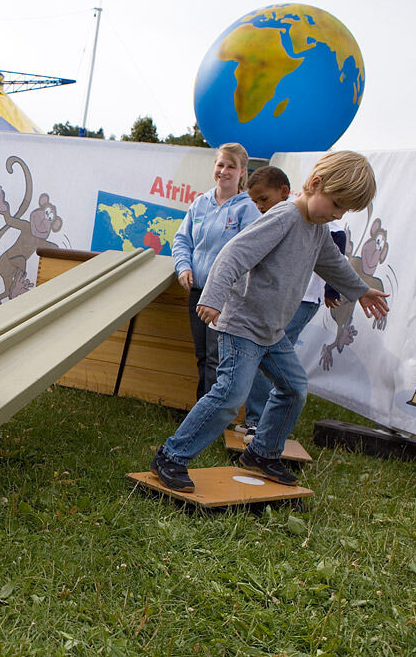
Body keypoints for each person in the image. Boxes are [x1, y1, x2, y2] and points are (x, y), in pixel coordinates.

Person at [151, 151, 390, 492]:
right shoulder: (283, 218)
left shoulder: (317, 229)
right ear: (316, 184)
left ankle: (262, 453)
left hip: (271, 332)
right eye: (336, 204)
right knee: (229, 396)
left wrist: (361, 290)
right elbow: (233, 254)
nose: (337, 214)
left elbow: (333, 263)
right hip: (243, 326)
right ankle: (171, 457)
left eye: (344, 211)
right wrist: (213, 297)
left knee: (294, 389)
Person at [238, 166, 346, 441]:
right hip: (280, 298)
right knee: (271, 362)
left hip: (303, 298)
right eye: (255, 201)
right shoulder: (281, 215)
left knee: (272, 360)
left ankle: (261, 425)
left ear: (284, 192)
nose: (260, 206)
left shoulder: (313, 213)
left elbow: (336, 250)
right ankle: (258, 423)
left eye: (263, 199)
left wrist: (333, 288)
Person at [172, 143, 261, 400]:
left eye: (231, 166)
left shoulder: (247, 210)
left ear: (242, 171)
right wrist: (183, 267)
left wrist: (224, 289)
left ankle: (207, 417)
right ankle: (200, 410)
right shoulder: (200, 204)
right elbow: (181, 241)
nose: (224, 171)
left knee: (216, 358)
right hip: (197, 292)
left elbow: (249, 255)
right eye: (220, 164)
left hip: (225, 297)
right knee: (202, 355)